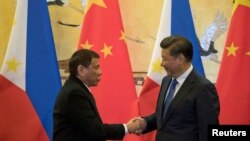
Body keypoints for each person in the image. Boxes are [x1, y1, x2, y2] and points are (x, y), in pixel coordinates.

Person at [134, 35, 220, 141]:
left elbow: (207, 131)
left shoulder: (203, 88)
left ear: (180, 58)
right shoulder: (166, 81)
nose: (161, 63)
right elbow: (164, 116)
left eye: (165, 59)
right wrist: (145, 123)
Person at [53, 49, 141, 141]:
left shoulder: (76, 88)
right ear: (81, 70)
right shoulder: (74, 93)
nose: (100, 72)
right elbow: (95, 130)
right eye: (96, 67)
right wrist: (127, 128)